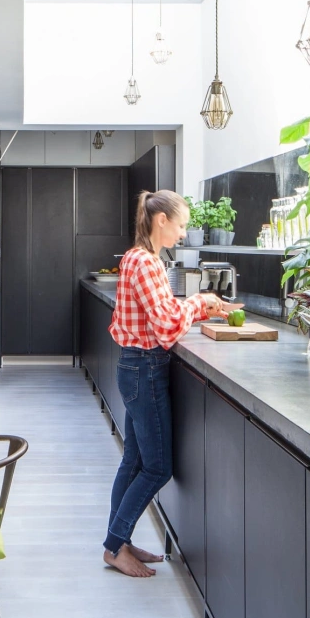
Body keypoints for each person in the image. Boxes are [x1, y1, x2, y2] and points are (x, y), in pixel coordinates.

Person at [104, 191, 236, 578]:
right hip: (145, 369)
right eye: (180, 225)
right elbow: (165, 327)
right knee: (158, 468)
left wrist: (195, 305)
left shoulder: (141, 259)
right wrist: (198, 302)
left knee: (135, 461)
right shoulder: (145, 263)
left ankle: (119, 541)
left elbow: (161, 316)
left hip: (136, 367)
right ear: (160, 219)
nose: (182, 234)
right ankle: (115, 546)